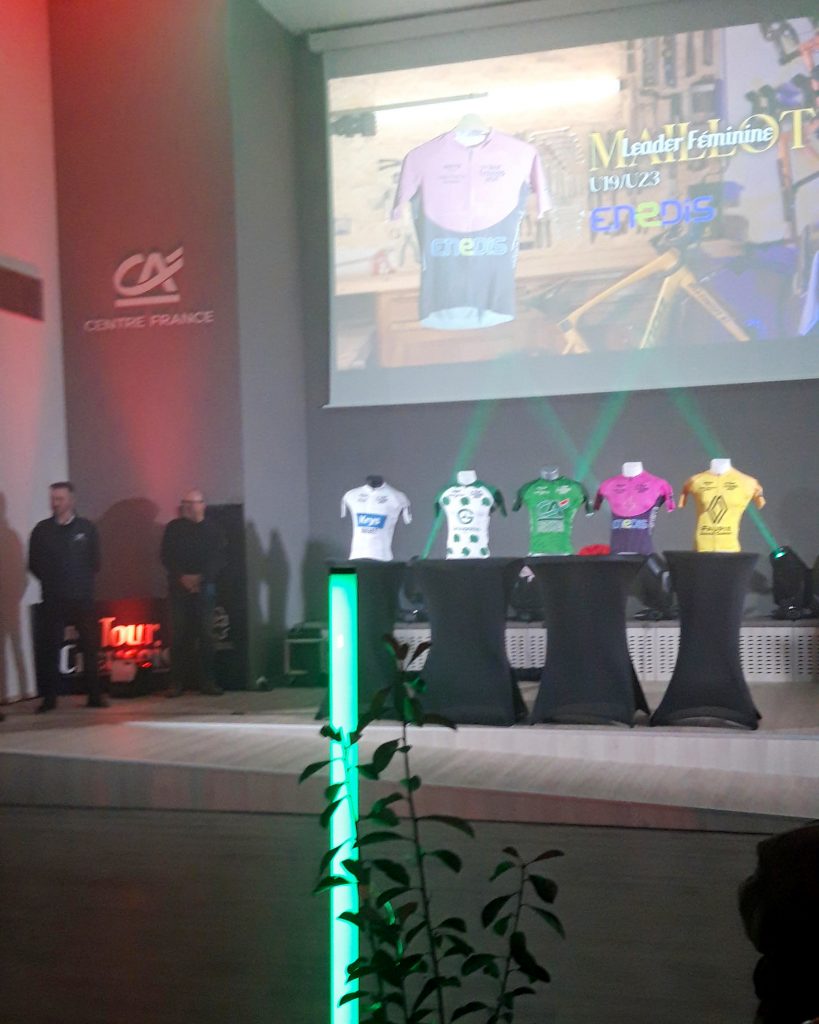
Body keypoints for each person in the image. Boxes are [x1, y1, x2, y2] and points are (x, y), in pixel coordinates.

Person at [28, 481, 107, 712]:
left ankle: (94, 695)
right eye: (53, 499)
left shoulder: (86, 528)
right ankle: (49, 699)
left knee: (89, 646)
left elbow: (95, 562)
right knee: (50, 648)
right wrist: (51, 582)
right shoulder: (42, 530)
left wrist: (79, 581)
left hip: (82, 597)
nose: (55, 503)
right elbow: (34, 563)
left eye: (60, 499)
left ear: (71, 500)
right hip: (53, 598)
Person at [160, 489, 226, 696]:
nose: (188, 507)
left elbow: (219, 558)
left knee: (206, 634)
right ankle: (176, 682)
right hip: (178, 587)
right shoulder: (174, 528)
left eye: (193, 503)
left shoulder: (213, 530)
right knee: (178, 634)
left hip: (205, 586)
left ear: (202, 505)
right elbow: (166, 556)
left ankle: (208, 681)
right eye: (185, 503)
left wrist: (201, 578)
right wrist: (182, 577)